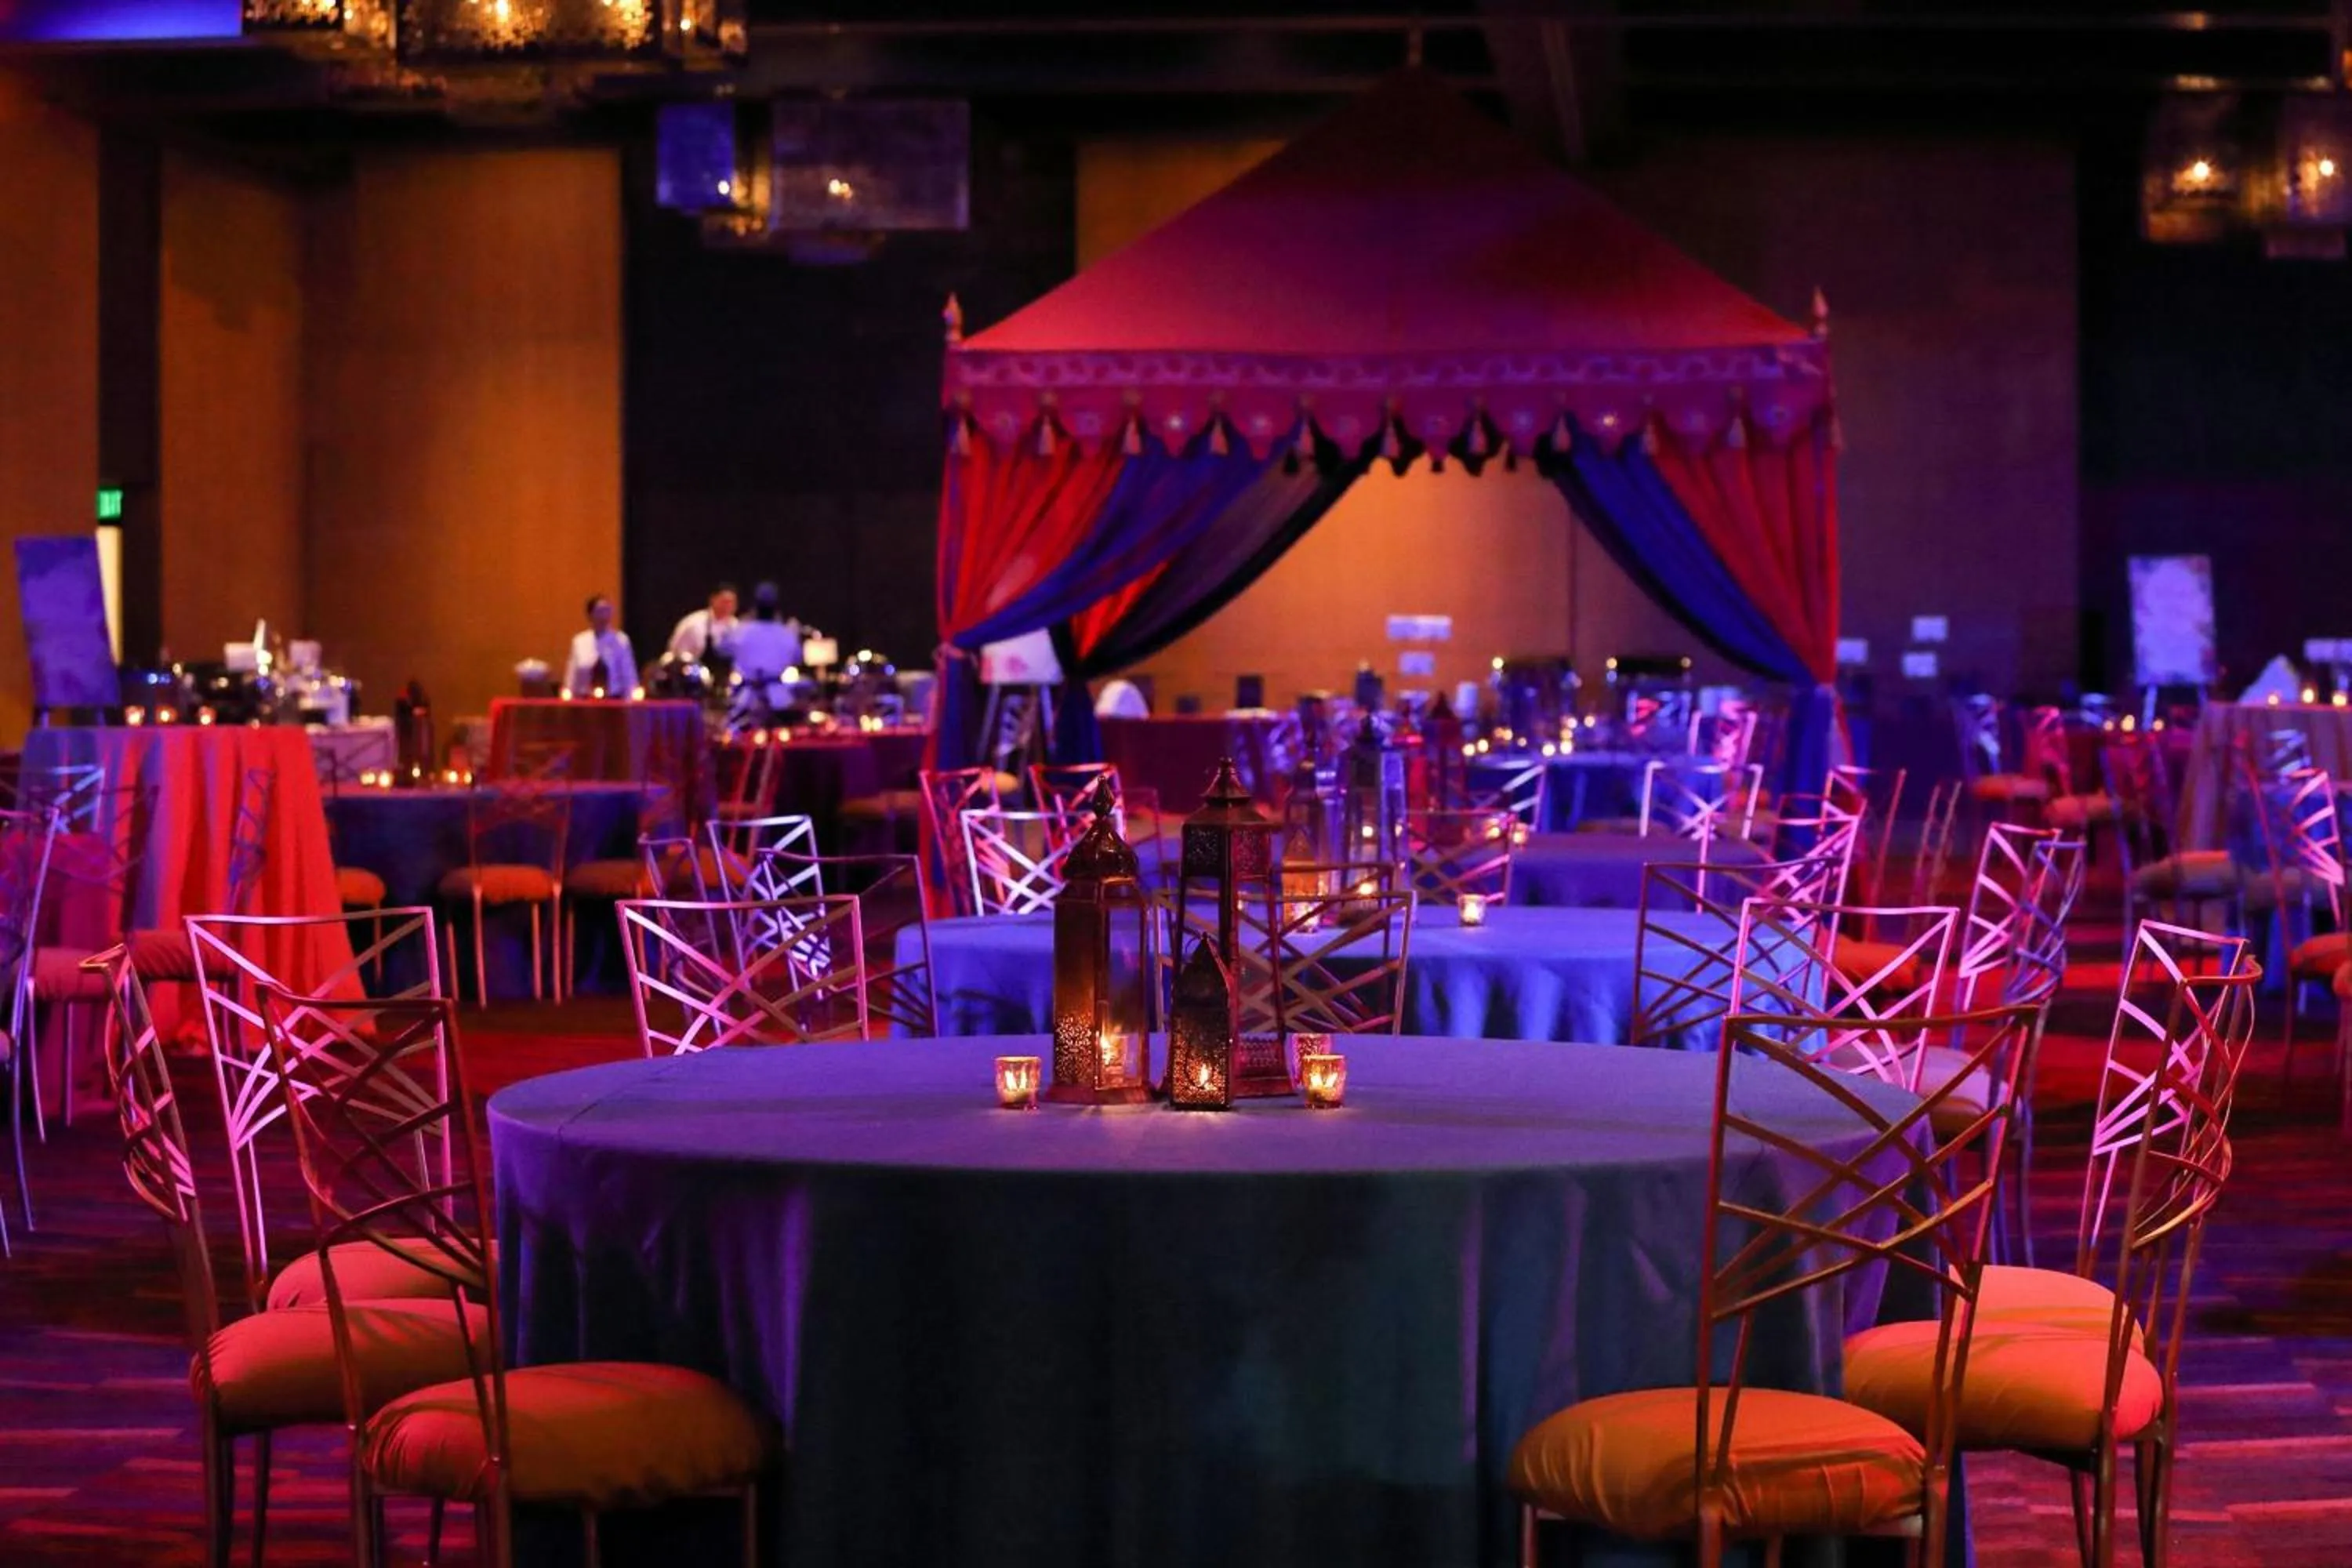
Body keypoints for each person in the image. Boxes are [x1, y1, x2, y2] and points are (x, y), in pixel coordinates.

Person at [729, 582, 804, 724]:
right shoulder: (786, 633)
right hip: (780, 699)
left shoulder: (741, 631)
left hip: (746, 700)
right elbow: (797, 658)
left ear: (755, 608)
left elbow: (723, 649)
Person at [564, 593, 638, 698]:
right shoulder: (579, 641)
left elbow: (629, 674)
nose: (604, 616)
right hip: (585, 698)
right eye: (599, 611)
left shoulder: (621, 640)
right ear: (590, 615)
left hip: (614, 698)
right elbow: (572, 675)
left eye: (607, 611)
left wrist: (631, 698)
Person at [666, 583, 741, 664]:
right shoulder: (693, 624)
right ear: (713, 600)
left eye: (731, 603)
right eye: (724, 602)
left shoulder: (737, 627)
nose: (728, 606)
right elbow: (674, 653)